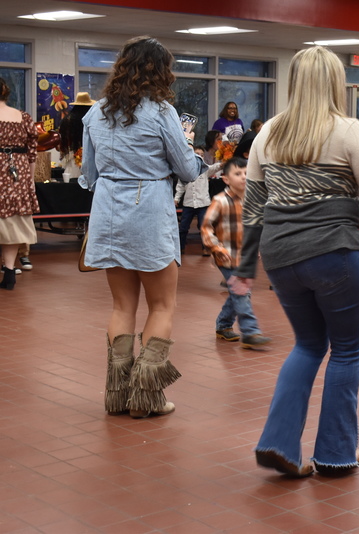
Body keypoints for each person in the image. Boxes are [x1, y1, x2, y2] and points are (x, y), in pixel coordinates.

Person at [230, 46, 359, 477]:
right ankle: (336, 453)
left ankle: (279, 443)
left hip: (281, 256)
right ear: (335, 84)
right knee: (346, 351)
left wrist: (246, 268)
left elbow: (253, 208)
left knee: (308, 345)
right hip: (334, 255)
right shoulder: (348, 131)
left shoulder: (268, 133)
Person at [80, 36, 207, 418]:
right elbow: (186, 170)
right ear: (160, 71)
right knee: (162, 305)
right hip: (149, 210)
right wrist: (196, 155)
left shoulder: (95, 113)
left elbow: (88, 175)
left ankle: (117, 395)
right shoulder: (162, 112)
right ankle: (147, 397)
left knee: (122, 305)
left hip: (107, 209)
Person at [201, 157, 271, 350]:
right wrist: (216, 248)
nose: (243, 177)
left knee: (237, 292)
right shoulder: (220, 201)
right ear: (226, 179)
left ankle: (223, 325)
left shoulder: (252, 201)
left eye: (247, 173)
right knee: (242, 293)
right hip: (225, 256)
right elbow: (206, 227)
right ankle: (250, 332)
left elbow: (255, 228)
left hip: (244, 257)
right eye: (238, 174)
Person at [0, 77, 38, 290]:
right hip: (18, 172)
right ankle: (9, 271)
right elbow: (32, 153)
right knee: (13, 222)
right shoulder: (24, 117)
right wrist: (29, 181)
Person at [175, 145, 222, 254]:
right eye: (197, 154)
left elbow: (216, 167)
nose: (199, 156)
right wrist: (176, 199)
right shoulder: (185, 171)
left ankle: (205, 248)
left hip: (203, 204)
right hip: (188, 204)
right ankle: (181, 248)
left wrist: (224, 162)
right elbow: (180, 186)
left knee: (204, 227)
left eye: (201, 155)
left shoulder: (206, 170)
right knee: (183, 227)